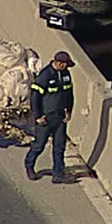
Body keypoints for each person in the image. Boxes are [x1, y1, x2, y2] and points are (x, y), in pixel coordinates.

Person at [25, 51, 75, 184]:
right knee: (39, 145)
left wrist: (69, 111)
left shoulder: (66, 74)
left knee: (59, 146)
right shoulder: (45, 75)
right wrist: (38, 116)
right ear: (58, 62)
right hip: (46, 118)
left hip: (60, 117)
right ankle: (29, 165)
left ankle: (58, 173)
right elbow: (35, 96)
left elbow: (69, 94)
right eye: (64, 64)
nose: (66, 67)